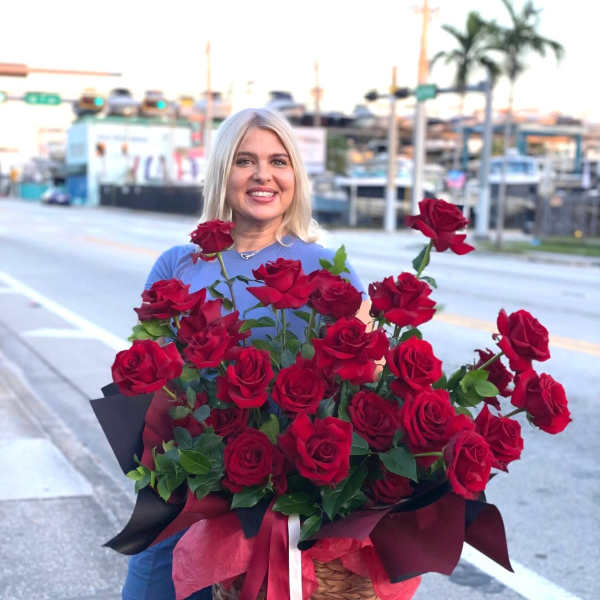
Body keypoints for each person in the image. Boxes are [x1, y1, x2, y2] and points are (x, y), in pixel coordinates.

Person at [121, 107, 368, 600]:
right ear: (222, 171)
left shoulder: (329, 269)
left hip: (281, 508)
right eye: (244, 160)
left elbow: (366, 385)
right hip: (187, 495)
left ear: (295, 174)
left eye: (278, 161)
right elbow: (145, 386)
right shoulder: (178, 264)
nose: (263, 175)